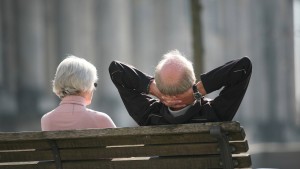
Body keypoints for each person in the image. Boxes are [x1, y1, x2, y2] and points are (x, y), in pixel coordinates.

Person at [109, 50, 252, 126]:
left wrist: (155, 90)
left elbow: (116, 71)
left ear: (161, 87)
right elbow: (243, 68)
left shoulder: (149, 116)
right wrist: (197, 92)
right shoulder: (214, 114)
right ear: (193, 81)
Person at [41, 55, 116, 131]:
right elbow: (121, 142)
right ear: (87, 84)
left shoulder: (47, 120)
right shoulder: (101, 119)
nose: (94, 89)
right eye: (94, 84)